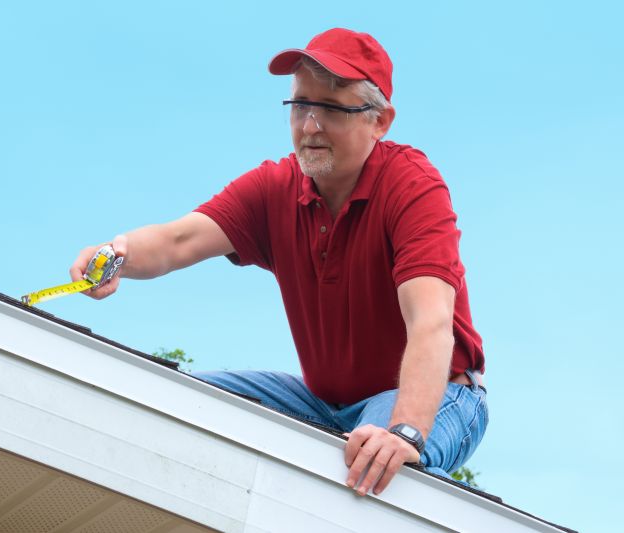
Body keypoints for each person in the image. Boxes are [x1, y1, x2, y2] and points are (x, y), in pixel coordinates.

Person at [71, 28, 487, 496]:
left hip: (441, 397)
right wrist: (116, 254)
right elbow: (176, 240)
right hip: (322, 402)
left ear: (380, 121)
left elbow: (431, 321)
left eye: (331, 108)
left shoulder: (412, 187)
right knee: (181, 407)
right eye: (300, 106)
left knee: (372, 460)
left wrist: (405, 431)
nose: (310, 125)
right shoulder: (275, 188)